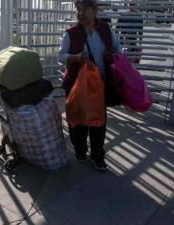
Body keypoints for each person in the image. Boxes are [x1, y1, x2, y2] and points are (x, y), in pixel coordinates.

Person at [59, 0, 122, 171]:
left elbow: (119, 49)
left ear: (94, 10)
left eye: (83, 8)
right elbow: (61, 56)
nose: (79, 12)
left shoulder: (106, 30)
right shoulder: (70, 33)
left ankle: (97, 155)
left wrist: (113, 55)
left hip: (98, 86)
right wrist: (76, 57)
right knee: (77, 121)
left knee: (98, 122)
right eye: (77, 9)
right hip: (76, 85)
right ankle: (80, 150)